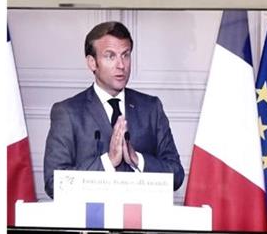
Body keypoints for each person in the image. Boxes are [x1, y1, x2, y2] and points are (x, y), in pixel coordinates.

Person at [43, 21, 184, 198]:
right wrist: (107, 162)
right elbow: (54, 183)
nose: (121, 65)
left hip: (140, 220)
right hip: (90, 222)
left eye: (125, 55)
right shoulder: (67, 112)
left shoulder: (151, 108)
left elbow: (177, 175)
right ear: (92, 62)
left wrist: (138, 159)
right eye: (110, 56)